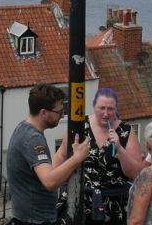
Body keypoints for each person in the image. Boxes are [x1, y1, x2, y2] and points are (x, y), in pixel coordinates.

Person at [7, 84, 91, 225]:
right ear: (44, 112)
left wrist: (64, 151)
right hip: (34, 221)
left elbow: (43, 172)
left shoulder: (23, 127)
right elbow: (49, 181)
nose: (63, 115)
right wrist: (77, 158)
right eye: (59, 112)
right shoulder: (33, 138)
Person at [62, 87, 144, 225]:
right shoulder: (80, 126)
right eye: (102, 108)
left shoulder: (126, 130)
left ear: (116, 109)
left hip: (114, 204)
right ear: (94, 106)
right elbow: (62, 155)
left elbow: (135, 172)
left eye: (110, 109)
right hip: (82, 201)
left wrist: (119, 148)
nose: (106, 113)